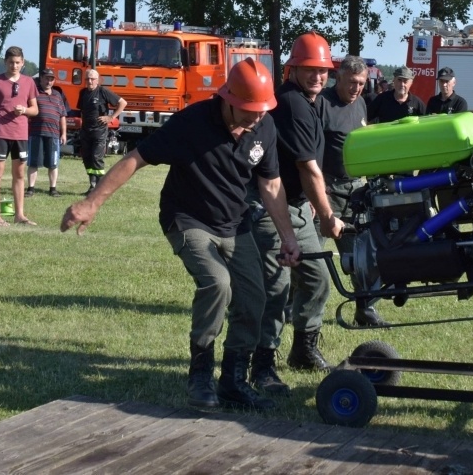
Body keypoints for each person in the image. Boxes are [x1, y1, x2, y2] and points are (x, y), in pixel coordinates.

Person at [60, 58, 300, 411]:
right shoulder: (192, 122)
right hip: (188, 218)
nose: (257, 117)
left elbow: (271, 184)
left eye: (263, 109)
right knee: (217, 283)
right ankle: (200, 374)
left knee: (254, 297)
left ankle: (233, 381)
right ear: (229, 99)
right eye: (250, 110)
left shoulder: (264, 127)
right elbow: (135, 159)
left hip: (235, 224)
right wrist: (92, 202)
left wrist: (288, 237)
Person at [247, 31, 345, 396]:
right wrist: (329, 216)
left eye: (323, 70)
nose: (318, 76)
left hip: (297, 205)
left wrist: (315, 204)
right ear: (293, 70)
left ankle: (303, 351)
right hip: (271, 206)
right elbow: (308, 167)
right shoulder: (292, 103)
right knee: (277, 287)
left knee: (317, 278)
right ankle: (262, 364)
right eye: (310, 69)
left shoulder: (312, 101)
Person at [318, 55, 389, 327]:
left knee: (361, 255)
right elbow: (311, 150)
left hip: (355, 190)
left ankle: (365, 310)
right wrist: (317, 191)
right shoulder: (321, 104)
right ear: (338, 77)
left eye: (361, 83)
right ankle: (288, 308)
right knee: (309, 255)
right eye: (351, 82)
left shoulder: (360, 103)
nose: (356, 88)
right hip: (325, 190)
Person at [0, 46, 39, 227]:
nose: (14, 66)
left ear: (23, 63)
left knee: (19, 174)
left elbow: (35, 110)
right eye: (11, 62)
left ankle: (19, 215)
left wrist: (24, 110)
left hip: (20, 134)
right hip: (0, 133)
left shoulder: (29, 82)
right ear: (5, 62)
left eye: (17, 62)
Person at [76, 69, 127, 195]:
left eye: (92, 79)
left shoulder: (103, 91)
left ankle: (100, 187)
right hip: (86, 131)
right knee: (87, 158)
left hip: (99, 131)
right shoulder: (83, 93)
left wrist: (111, 117)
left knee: (96, 157)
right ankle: (92, 185)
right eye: (87, 79)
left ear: (97, 80)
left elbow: (123, 103)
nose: (90, 81)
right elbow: (82, 111)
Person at [26, 69, 67, 198]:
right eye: (46, 78)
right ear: (41, 79)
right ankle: (30, 188)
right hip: (36, 133)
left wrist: (64, 133)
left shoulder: (58, 95)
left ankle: (53, 189)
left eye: (51, 79)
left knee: (53, 163)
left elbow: (62, 115)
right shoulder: (35, 92)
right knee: (33, 162)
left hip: (53, 134)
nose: (49, 81)